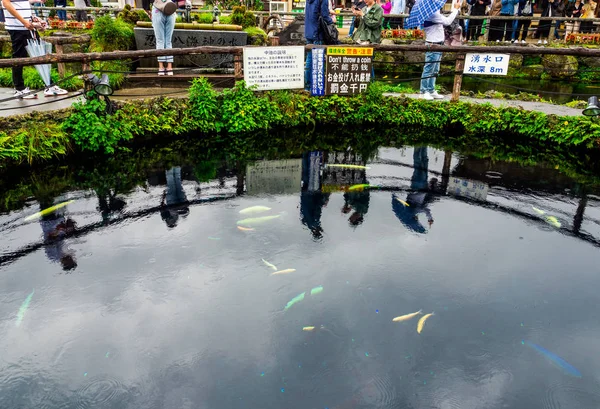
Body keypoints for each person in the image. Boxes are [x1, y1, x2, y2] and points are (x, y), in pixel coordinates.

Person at [1, 0, 68, 98]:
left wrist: (32, 18)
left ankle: (49, 85)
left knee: (41, 54)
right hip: (18, 28)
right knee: (19, 57)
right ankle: (19, 88)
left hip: (27, 27)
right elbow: (6, 3)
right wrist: (24, 22)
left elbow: (22, 4)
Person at [420, 0, 460, 100]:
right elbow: (447, 21)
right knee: (429, 69)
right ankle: (423, 91)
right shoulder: (432, 14)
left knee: (435, 69)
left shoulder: (435, 12)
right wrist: (455, 9)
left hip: (438, 44)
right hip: (432, 44)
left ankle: (431, 89)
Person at [391, 147, 436, 234]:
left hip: (419, 186)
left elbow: (426, 210)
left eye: (417, 220)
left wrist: (430, 219)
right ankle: (423, 146)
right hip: (419, 186)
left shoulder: (414, 211)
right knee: (423, 163)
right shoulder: (409, 210)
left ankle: (419, 146)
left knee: (420, 164)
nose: (417, 219)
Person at [304, 0, 334, 91]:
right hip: (317, 32)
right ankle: (316, 87)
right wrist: (331, 21)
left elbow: (314, 12)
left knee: (309, 59)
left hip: (309, 31)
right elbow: (324, 15)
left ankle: (308, 85)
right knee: (318, 60)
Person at [152, 0, 181, 76]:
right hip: (170, 8)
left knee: (160, 40)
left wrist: (148, 11)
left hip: (157, 9)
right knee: (168, 41)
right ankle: (169, 68)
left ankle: (161, 67)